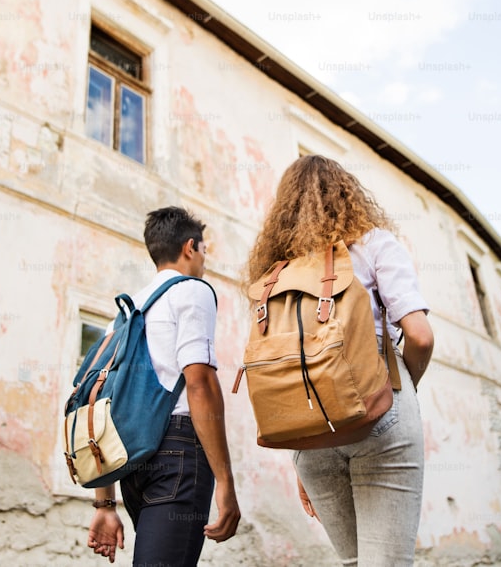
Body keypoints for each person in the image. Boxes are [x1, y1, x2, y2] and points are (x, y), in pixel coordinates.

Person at [244, 155, 434, 566]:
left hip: (309, 432)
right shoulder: (375, 244)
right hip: (380, 411)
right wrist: (405, 385)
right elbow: (419, 335)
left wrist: (303, 454)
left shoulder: (274, 275)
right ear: (349, 195)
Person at [87, 206, 240, 565]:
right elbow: (199, 382)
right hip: (179, 452)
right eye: (204, 251)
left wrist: (105, 503)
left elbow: (98, 402)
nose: (204, 261)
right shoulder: (192, 290)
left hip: (132, 462)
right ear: (190, 247)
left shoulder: (124, 314)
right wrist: (226, 483)